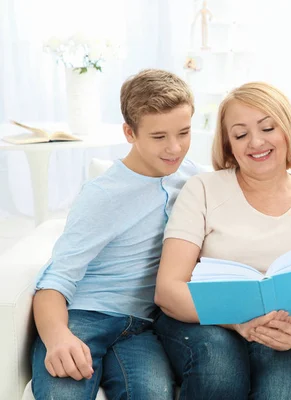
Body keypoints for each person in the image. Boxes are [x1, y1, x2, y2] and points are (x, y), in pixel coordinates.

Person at [153, 81, 291, 400]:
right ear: (229, 146)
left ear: (287, 130)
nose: (255, 142)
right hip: (206, 322)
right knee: (221, 375)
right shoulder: (202, 189)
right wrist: (239, 321)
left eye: (267, 128)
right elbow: (168, 290)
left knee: (280, 392)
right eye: (240, 135)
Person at [30, 69, 199, 399]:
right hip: (84, 316)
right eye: (158, 136)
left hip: (140, 327)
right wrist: (57, 337)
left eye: (184, 132)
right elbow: (53, 281)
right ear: (129, 133)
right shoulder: (102, 195)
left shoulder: (192, 179)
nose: (174, 148)